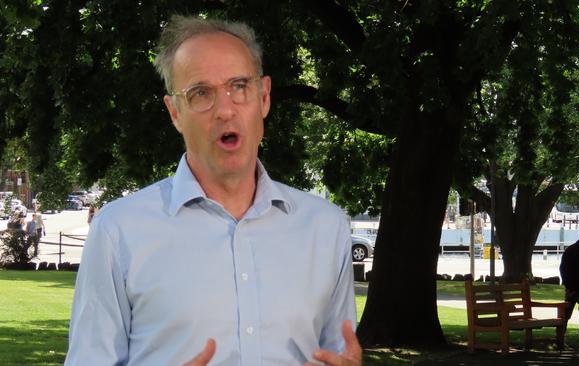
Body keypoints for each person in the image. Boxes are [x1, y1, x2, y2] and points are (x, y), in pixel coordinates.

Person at [65, 15, 360, 366]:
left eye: (239, 86)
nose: (224, 109)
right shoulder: (118, 232)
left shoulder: (325, 227)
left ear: (263, 97)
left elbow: (338, 353)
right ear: (175, 112)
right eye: (200, 93)